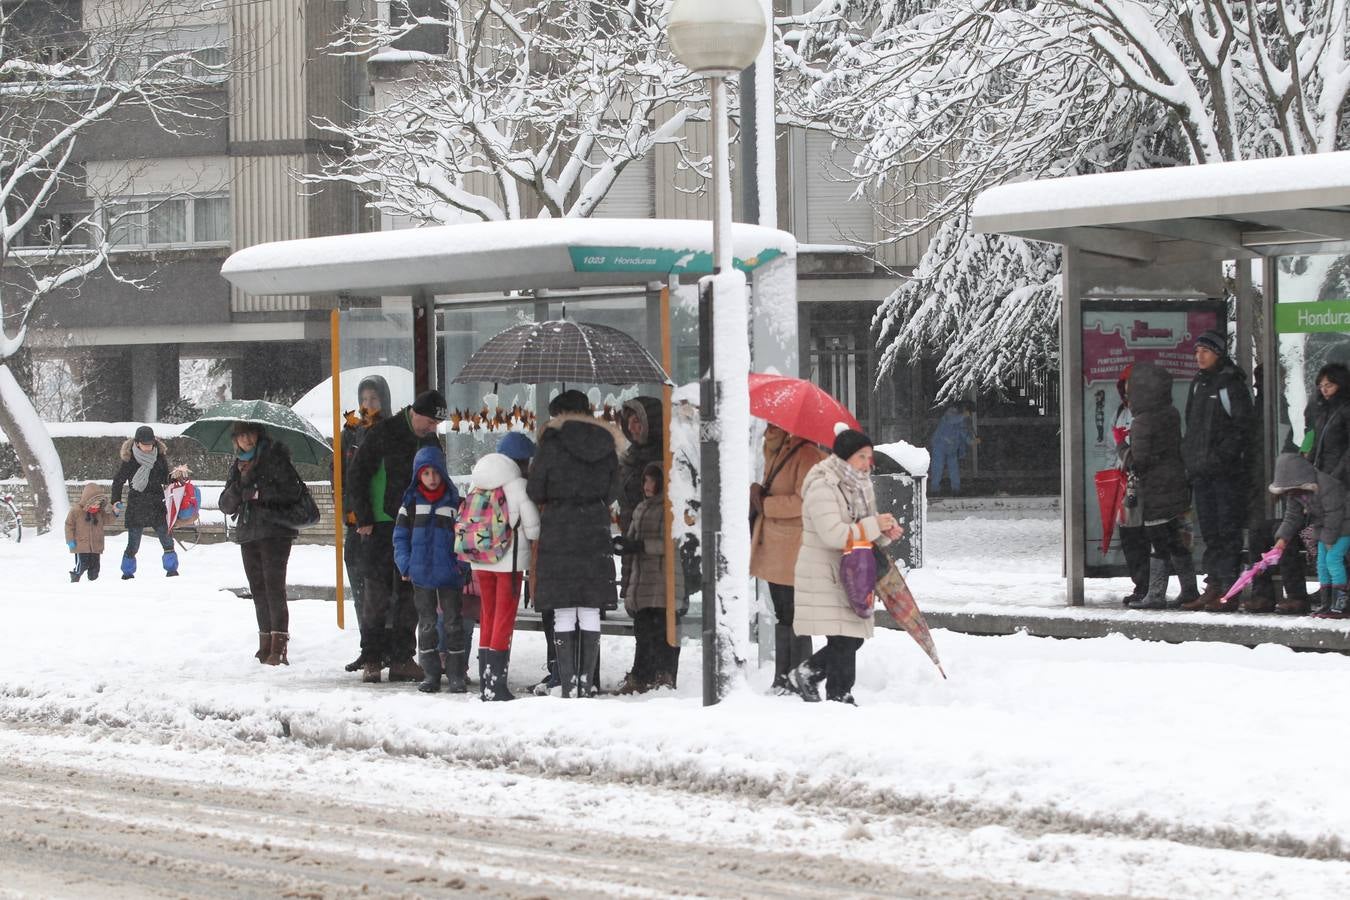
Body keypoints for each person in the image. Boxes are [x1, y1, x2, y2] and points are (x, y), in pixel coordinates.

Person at [788, 428, 904, 705]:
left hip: (851, 572)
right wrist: (873, 525)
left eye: (869, 457)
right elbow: (834, 534)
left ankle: (807, 674)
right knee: (844, 639)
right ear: (844, 457)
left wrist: (884, 530)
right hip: (825, 573)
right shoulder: (823, 486)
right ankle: (840, 696)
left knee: (852, 638)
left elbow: (862, 526)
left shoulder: (859, 485)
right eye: (861, 457)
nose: (867, 463)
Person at [527, 389, 621, 698]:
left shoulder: (551, 446)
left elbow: (535, 490)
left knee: (565, 607)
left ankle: (568, 684)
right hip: (594, 527)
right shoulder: (605, 443)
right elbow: (612, 490)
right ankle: (587, 681)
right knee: (590, 605)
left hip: (560, 528)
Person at [349, 389, 447, 683]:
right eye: (429, 422)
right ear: (415, 412)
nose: (432, 429)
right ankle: (373, 657)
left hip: (414, 525)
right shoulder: (384, 431)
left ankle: (402, 657)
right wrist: (364, 516)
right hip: (381, 524)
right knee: (376, 594)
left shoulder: (429, 439)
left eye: (435, 425)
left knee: (408, 595)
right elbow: (358, 473)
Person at [218, 422, 307, 665]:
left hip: (275, 532)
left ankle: (279, 649)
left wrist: (259, 493)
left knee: (273, 587)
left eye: (249, 434)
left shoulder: (275, 458)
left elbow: (291, 492)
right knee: (257, 589)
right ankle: (264, 644)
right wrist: (239, 488)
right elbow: (225, 504)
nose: (245, 440)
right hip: (249, 533)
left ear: (258, 434)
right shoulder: (238, 466)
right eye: (240, 436)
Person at [749, 424, 827, 694]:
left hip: (796, 546)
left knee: (796, 613)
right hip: (777, 546)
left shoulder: (806, 454)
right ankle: (783, 677)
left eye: (774, 426)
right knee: (783, 612)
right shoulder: (778, 452)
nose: (768, 430)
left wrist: (766, 505)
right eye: (768, 425)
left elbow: (804, 501)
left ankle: (798, 678)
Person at [464, 432, 541, 701]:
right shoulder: (518, 486)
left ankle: (487, 679)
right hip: (508, 566)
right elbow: (533, 529)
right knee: (504, 617)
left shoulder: (477, 483)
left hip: (480, 561)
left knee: (487, 615)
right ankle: (496, 684)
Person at [1182, 330, 1254, 612]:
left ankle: (1228, 588)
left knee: (1227, 530)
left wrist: (1221, 457)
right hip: (1202, 472)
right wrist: (1192, 459)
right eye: (1197, 351)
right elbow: (1192, 426)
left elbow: (1242, 428)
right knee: (1210, 532)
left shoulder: (1230, 384)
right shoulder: (1198, 384)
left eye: (1205, 351)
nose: (1199, 356)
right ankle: (1213, 586)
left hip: (1226, 473)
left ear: (1219, 353)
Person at [1116, 364, 1198, 609]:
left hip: (1155, 490)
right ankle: (1189, 589)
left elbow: (1138, 461)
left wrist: (1122, 447)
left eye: (1131, 393)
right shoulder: (1170, 413)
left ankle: (1156, 593)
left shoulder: (1142, 421)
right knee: (1176, 541)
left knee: (1158, 542)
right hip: (1175, 486)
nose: (1129, 398)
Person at [392, 445, 466, 693]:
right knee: (427, 624)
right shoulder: (410, 504)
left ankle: (457, 674)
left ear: (443, 473)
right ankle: (431, 673)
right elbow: (400, 537)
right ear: (418, 475)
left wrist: (461, 566)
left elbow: (465, 537)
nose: (432, 478)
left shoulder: (455, 503)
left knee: (453, 623)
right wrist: (406, 563)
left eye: (436, 472)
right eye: (426, 473)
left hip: (449, 575)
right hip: (420, 574)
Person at [614, 462, 684, 693]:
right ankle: (641, 675)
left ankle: (660, 675)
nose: (647, 485)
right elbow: (634, 537)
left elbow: (670, 545)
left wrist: (640, 545)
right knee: (643, 631)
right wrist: (625, 544)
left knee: (660, 630)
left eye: (652, 480)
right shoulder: (642, 508)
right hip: (643, 578)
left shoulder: (670, 508)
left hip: (662, 580)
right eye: (645, 480)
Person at [340, 375, 391, 672]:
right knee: (360, 588)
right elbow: (346, 477)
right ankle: (368, 647)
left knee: (382, 590)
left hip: (381, 522)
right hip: (355, 522)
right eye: (364, 399)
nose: (367, 405)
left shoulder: (389, 431)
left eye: (373, 399)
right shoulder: (351, 432)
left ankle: (386, 648)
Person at [1268, 453, 1350, 618]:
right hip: (1325, 530)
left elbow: (1334, 514)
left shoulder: (1327, 485)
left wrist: (1329, 540)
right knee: (1321, 564)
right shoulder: (1295, 493)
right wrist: (1282, 539)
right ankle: (1326, 603)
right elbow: (1292, 516)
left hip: (1344, 527)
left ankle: (1341, 604)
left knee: (1333, 561)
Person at [111, 425, 178, 580]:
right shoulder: (130, 460)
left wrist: (175, 477)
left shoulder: (159, 458)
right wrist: (116, 501)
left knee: (167, 540)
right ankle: (127, 572)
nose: (148, 447)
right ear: (137, 443)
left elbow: (164, 479)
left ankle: (172, 570)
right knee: (133, 544)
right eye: (145, 444)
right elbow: (118, 481)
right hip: (137, 505)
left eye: (150, 444)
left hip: (157, 504)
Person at [1111, 366, 1154, 606]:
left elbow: (1138, 452)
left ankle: (1146, 584)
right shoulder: (1121, 411)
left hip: (1141, 481)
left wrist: (1122, 447)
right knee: (1129, 535)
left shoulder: (1147, 414)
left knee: (1142, 535)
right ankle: (1140, 582)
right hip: (1124, 480)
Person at [1303, 363, 1350, 483]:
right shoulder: (1323, 408)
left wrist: (1336, 474)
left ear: (1341, 384)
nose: (1324, 390)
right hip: (1323, 472)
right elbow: (1314, 436)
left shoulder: (1345, 409)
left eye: (1328, 385)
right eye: (1321, 386)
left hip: (1340, 477)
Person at [65, 482, 115, 582]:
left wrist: (115, 512)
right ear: (87, 500)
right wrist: (70, 540)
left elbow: (108, 520)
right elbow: (69, 525)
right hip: (81, 545)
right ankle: (75, 575)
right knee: (82, 564)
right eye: (94, 503)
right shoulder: (76, 511)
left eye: (98, 504)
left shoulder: (100, 513)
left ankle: (93, 581)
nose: (96, 506)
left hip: (96, 545)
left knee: (95, 567)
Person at [928, 404, 972, 495]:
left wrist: (971, 440)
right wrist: (964, 415)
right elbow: (952, 419)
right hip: (939, 446)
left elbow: (963, 433)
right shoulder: (948, 416)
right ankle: (935, 489)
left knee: (954, 469)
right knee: (937, 468)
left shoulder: (959, 420)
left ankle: (956, 489)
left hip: (951, 448)